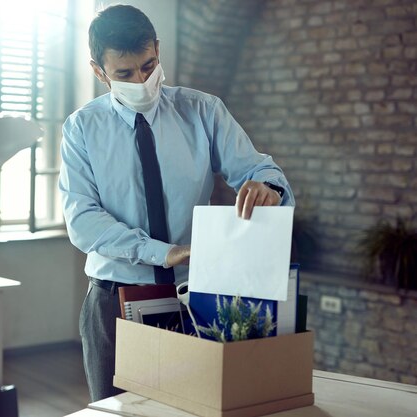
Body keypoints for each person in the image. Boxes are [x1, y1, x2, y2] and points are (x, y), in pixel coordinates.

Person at [58, 4, 294, 402]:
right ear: (99, 71)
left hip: (192, 297)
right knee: (117, 412)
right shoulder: (81, 129)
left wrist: (268, 188)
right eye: (125, 74)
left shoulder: (202, 111)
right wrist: (164, 253)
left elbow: (262, 170)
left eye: (149, 66)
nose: (142, 80)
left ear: (158, 50)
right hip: (113, 302)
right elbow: (83, 220)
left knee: (194, 407)